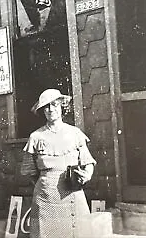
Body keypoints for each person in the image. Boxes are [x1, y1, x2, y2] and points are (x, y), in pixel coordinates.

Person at [21, 88, 96, 238]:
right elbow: (30, 172)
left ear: (62, 106)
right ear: (42, 111)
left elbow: (88, 162)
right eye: (46, 107)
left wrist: (86, 176)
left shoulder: (75, 133)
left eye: (54, 105)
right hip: (45, 199)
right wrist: (47, 183)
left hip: (72, 194)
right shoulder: (36, 137)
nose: (50, 110)